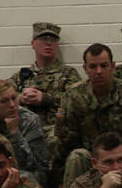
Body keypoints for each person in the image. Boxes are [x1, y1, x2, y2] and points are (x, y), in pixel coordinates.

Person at [55, 43, 122, 187]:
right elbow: (63, 142)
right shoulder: (73, 96)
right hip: (89, 158)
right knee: (76, 156)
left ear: (113, 66)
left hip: (121, 157)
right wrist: (58, 180)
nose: (99, 71)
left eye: (104, 66)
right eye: (93, 67)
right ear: (85, 69)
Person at [8, 22, 81, 154]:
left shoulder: (69, 74)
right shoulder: (21, 77)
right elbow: (1, 99)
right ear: (33, 43)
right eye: (43, 39)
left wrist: (46, 99)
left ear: (57, 44)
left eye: (53, 39)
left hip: (56, 134)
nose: (48, 43)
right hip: (25, 133)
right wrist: (21, 98)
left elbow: (78, 101)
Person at [0, 79, 49, 187]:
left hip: (26, 170)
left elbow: (30, 164)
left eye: (14, 98)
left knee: (26, 176)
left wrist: (15, 133)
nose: (12, 105)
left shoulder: (30, 120)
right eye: (4, 101)